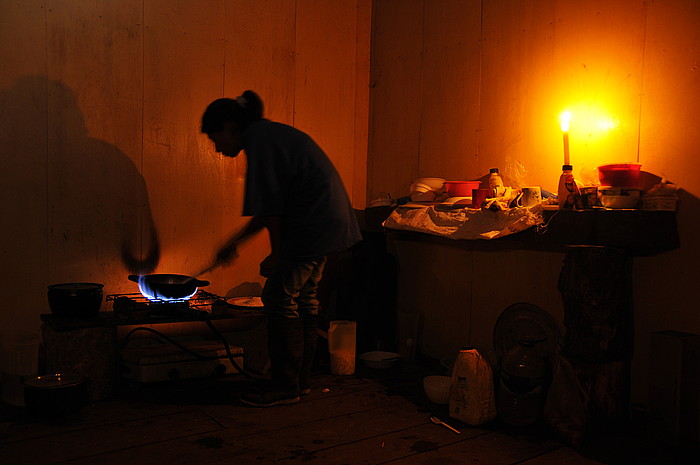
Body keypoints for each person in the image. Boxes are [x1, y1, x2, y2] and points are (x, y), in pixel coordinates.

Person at [201, 91, 362, 407]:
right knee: (303, 296)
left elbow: (272, 209)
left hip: (313, 225)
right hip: (327, 222)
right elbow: (267, 208)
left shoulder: (261, 143)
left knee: (277, 297)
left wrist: (278, 254)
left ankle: (284, 386)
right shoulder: (269, 136)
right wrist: (235, 242)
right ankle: (299, 383)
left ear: (231, 127)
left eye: (215, 137)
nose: (217, 148)